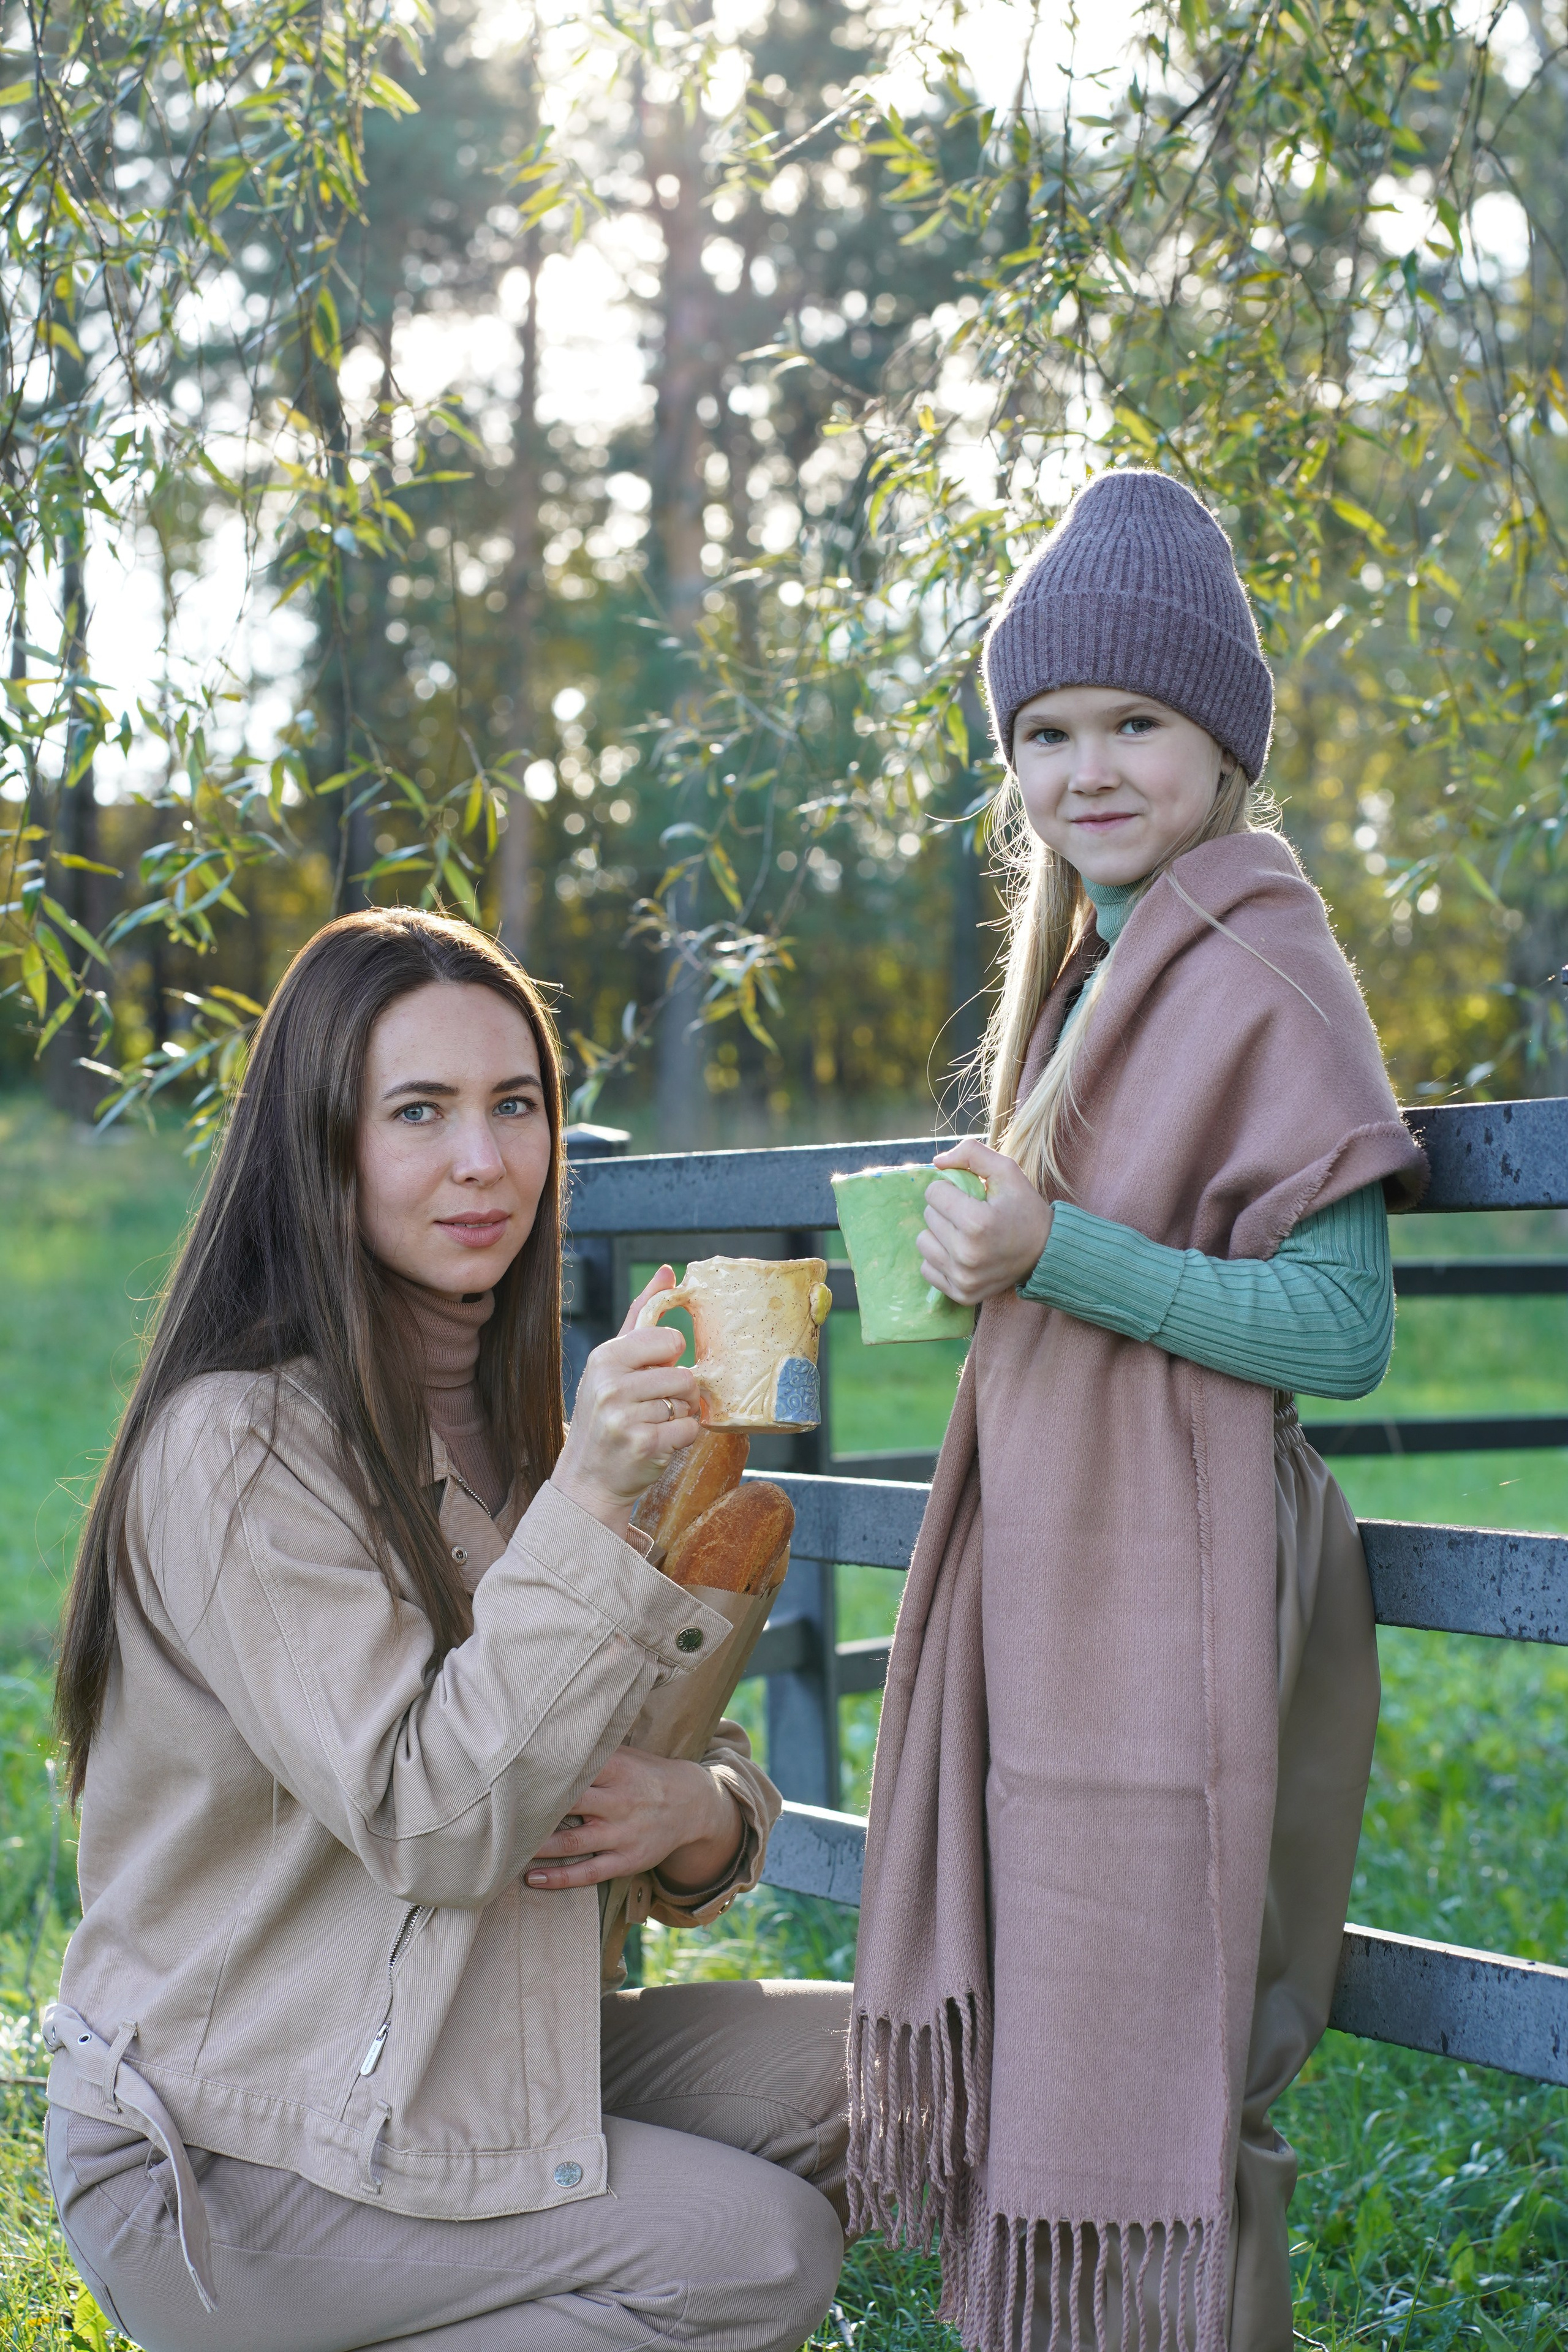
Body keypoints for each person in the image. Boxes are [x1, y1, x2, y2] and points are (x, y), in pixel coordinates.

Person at [44, 908, 848, 2352]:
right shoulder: (238, 1448)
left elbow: (684, 1748)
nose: (484, 1161)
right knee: (744, 2252)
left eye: (515, 1105)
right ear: (322, 1141)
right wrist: (595, 1498)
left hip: (471, 2053)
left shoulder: (534, 1433)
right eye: (418, 1111)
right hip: (238, 2149)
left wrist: (697, 1809)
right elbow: (436, 1822)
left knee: (917, 2074)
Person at [846, 471, 1427, 2352]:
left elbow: (1339, 1331)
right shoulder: (1093, 975)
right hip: (1073, 1571)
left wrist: (1060, 1256)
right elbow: (1079, 1263)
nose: (1086, 768)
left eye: (1133, 725)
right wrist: (980, 1252)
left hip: (1182, 1590)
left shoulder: (1262, 965)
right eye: (1044, 731)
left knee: (1185, 2061)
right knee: (1051, 2017)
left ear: (1221, 740)